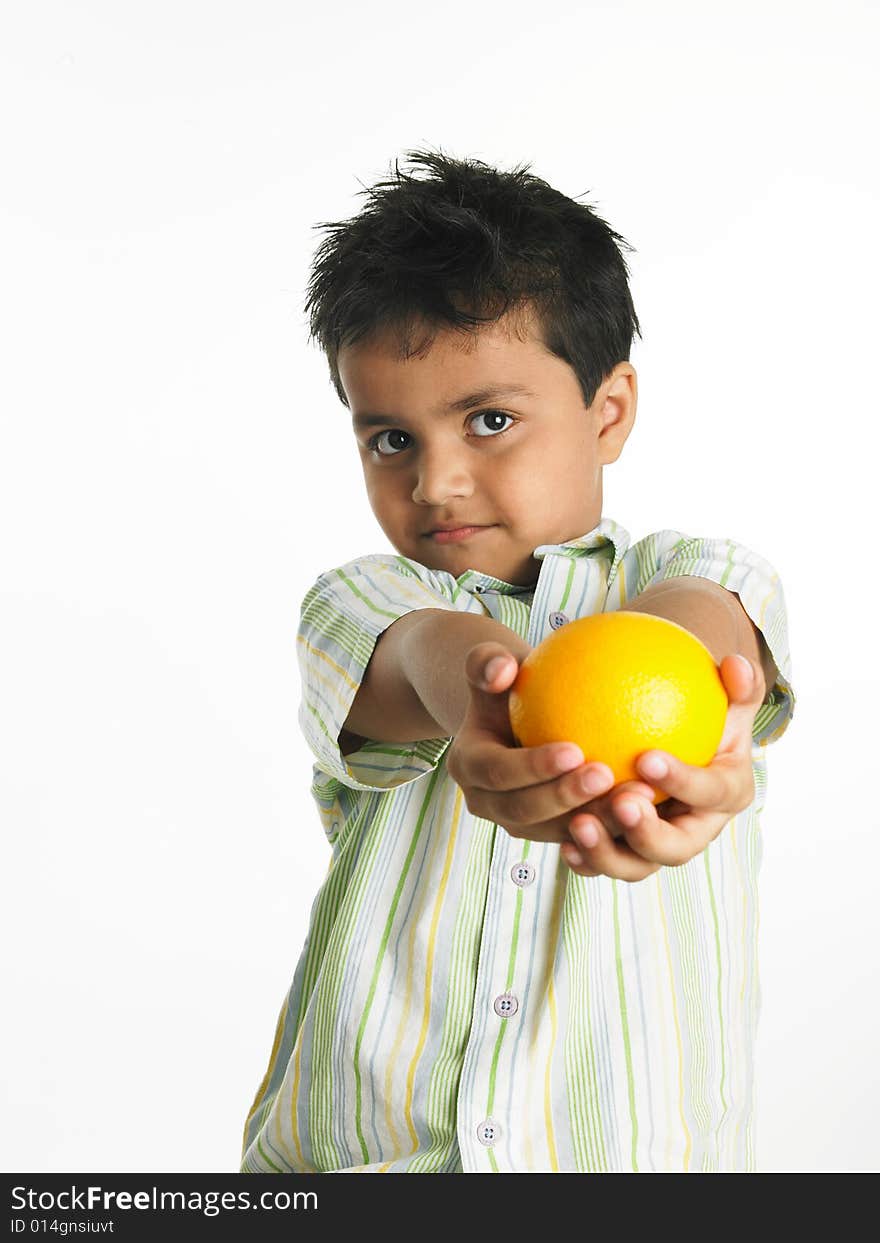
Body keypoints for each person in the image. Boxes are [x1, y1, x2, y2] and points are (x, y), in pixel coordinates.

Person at [240, 149, 795, 1174]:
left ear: (608, 411)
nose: (438, 482)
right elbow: (424, 653)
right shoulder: (363, 598)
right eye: (390, 439)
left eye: (489, 421)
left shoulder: (695, 570)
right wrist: (493, 695)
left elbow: (698, 627)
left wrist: (668, 706)